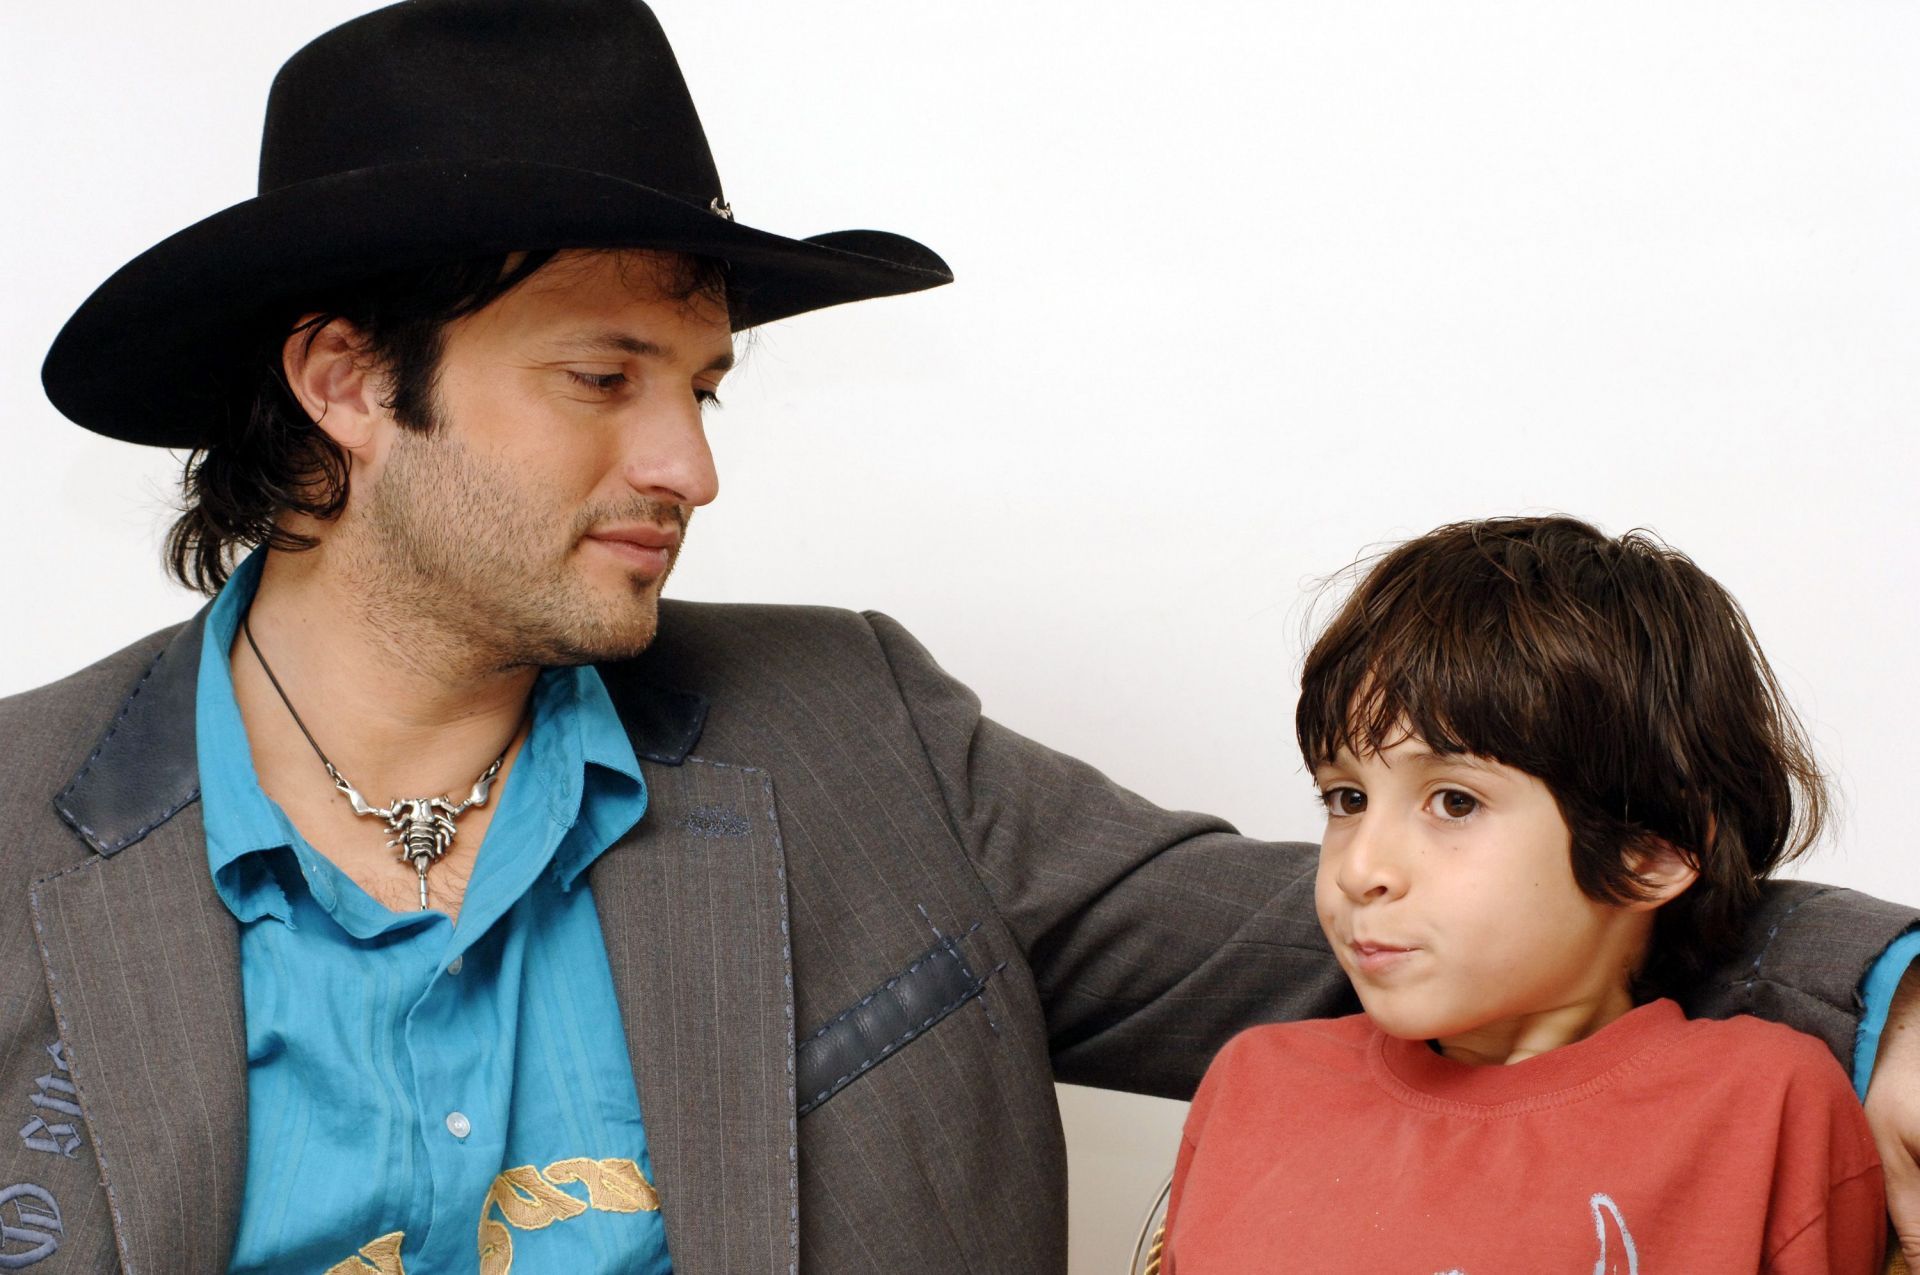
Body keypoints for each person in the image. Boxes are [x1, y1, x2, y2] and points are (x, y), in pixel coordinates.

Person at [0, 3, 1914, 1272]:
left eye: (705, 389)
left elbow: (1482, 912)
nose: (685, 464)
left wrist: (1903, 997)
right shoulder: (18, 832)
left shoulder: (854, 731)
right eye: (602, 376)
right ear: (345, 381)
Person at [1162, 516, 1889, 1272]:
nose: (1359, 868)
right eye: (1346, 799)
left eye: (1454, 801)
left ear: (1652, 850)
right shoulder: (1257, 1084)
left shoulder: (1764, 1104)